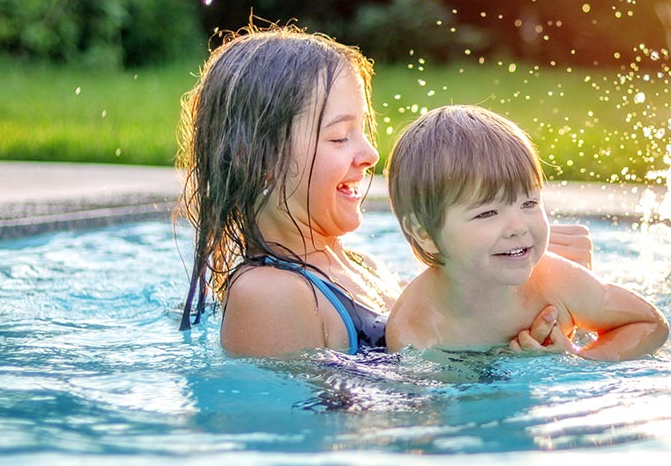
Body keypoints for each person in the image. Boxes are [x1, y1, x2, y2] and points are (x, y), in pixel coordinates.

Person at [176, 25, 593, 358]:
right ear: (257, 159)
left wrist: (527, 290)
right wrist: (499, 364)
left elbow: (436, 349)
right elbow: (325, 434)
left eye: (362, 131)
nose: (370, 153)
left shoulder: (362, 265)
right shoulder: (268, 296)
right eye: (340, 137)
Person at [384, 105, 669, 361]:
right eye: (487, 213)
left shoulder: (555, 283)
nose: (519, 226)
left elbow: (651, 325)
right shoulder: (415, 329)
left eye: (529, 203)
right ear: (424, 233)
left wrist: (579, 357)